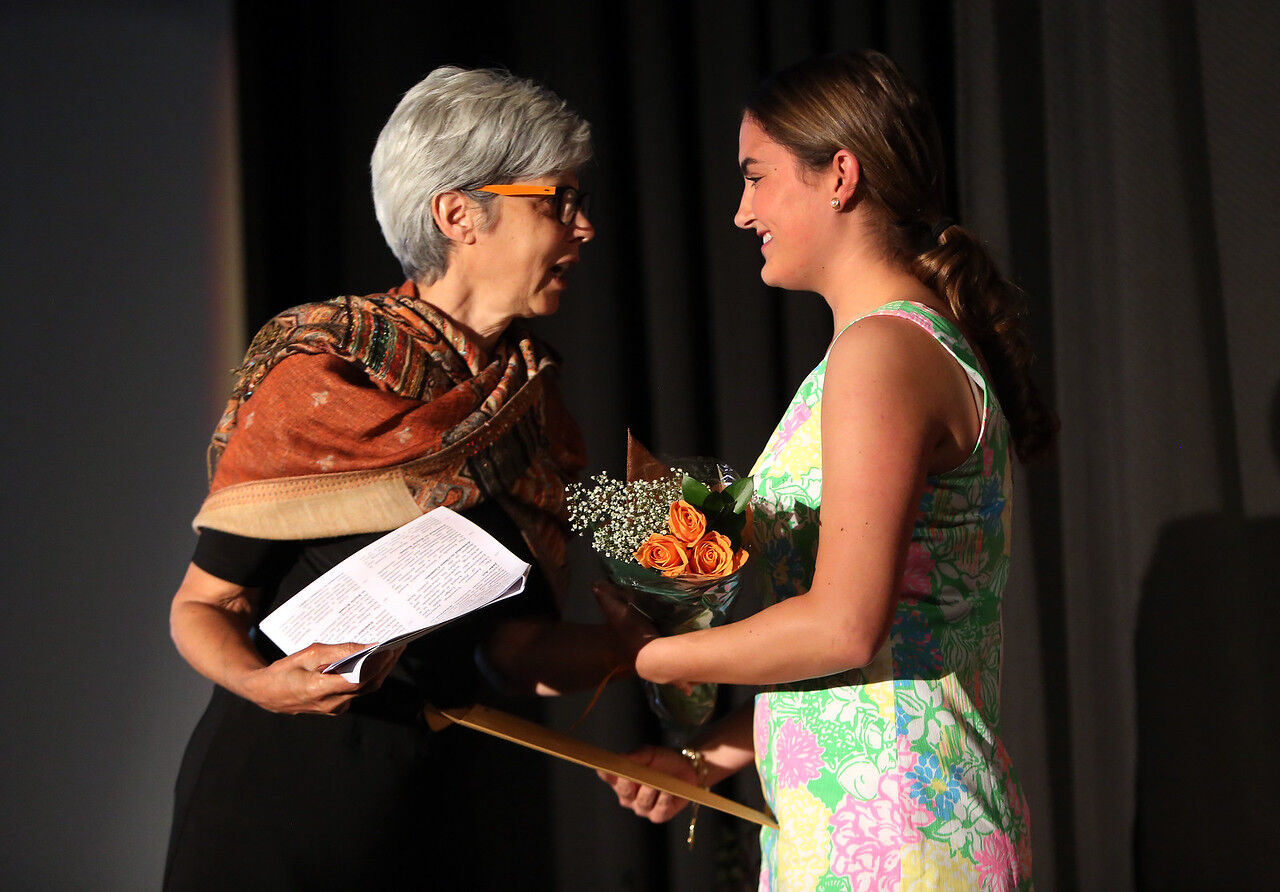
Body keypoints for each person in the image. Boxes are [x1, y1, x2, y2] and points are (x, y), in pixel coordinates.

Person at [597, 50, 1055, 890]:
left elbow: (845, 627)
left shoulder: (883, 351)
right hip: (858, 825)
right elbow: (869, 658)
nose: (741, 212)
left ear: (839, 174)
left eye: (757, 177)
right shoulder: (876, 350)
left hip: (899, 833)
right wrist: (705, 757)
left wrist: (657, 659)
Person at [166, 66, 629, 888]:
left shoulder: (534, 407)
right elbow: (206, 604)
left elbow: (509, 653)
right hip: (274, 810)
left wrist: (646, 648)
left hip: (432, 810)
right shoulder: (327, 373)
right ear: (458, 214)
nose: (583, 226)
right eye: (556, 201)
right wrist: (258, 681)